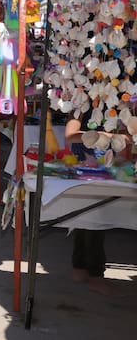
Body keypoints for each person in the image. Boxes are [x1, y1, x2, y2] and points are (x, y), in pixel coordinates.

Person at [63, 117, 119, 295]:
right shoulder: (80, 111)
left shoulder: (116, 108)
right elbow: (70, 135)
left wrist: (115, 138)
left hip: (106, 172)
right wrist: (102, 136)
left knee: (87, 221)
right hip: (83, 172)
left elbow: (127, 137)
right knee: (92, 221)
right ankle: (95, 275)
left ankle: (80, 268)